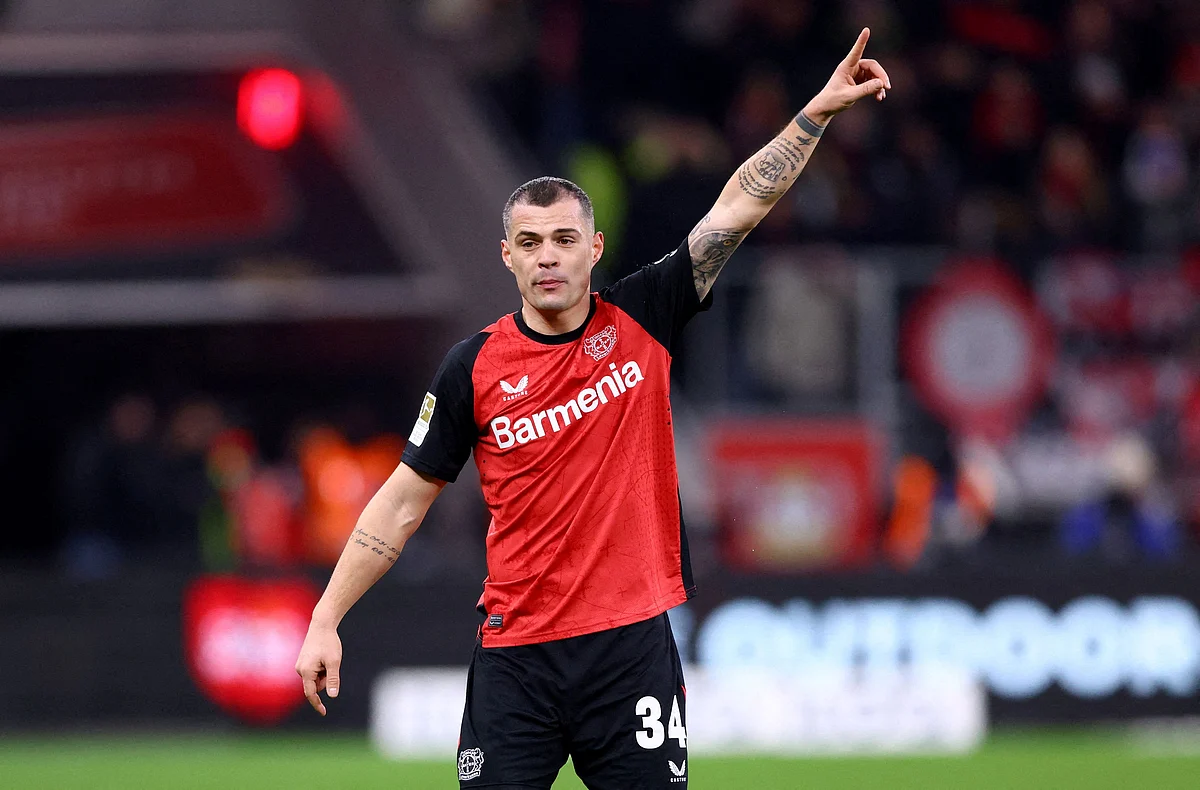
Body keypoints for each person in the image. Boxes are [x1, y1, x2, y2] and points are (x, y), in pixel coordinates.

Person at [295, 28, 890, 789]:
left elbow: (739, 206)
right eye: (530, 241)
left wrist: (814, 116)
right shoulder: (471, 367)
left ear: (594, 247)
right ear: (507, 256)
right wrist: (326, 617)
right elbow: (402, 502)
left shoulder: (645, 315)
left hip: (631, 648)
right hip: (518, 657)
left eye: (563, 239)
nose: (548, 255)